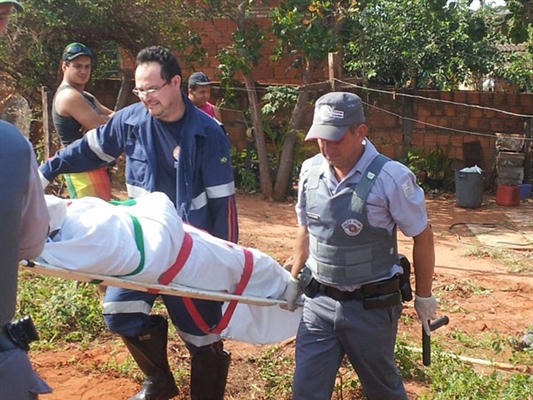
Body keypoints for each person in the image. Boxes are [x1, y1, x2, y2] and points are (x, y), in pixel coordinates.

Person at [39, 46, 239, 400]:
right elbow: (87, 150)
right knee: (119, 311)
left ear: (175, 83)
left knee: (202, 336)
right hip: (144, 245)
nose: (146, 97)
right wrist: (46, 171)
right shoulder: (130, 121)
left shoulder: (208, 132)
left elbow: (224, 206)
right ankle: (160, 381)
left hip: (190, 249)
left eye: (153, 88)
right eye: (139, 90)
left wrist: (227, 262)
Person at [283, 92, 438, 400]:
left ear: (360, 132)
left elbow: (422, 235)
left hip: (370, 308)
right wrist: (293, 278)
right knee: (305, 391)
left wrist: (424, 296)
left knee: (382, 391)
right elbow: (306, 229)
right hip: (319, 303)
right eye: (320, 140)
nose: (326, 148)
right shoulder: (310, 172)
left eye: (335, 139)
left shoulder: (391, 178)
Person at [52, 42, 114, 200]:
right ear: (65, 66)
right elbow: (109, 130)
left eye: (87, 67)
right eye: (78, 66)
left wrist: (100, 119)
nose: (83, 71)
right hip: (82, 173)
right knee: (94, 222)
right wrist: (100, 121)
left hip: (95, 169)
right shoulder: (69, 96)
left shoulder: (86, 96)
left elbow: (117, 118)